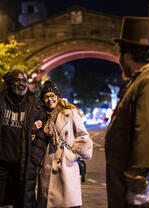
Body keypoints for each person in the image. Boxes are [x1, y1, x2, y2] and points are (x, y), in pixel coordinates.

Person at [105, 16, 149, 208]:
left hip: (143, 197)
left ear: (126, 55)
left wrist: (137, 185)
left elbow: (147, 134)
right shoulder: (142, 80)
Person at [25, 80, 93, 208]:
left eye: (52, 96)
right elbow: (33, 142)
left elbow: (83, 136)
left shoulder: (70, 112)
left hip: (66, 165)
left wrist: (72, 156)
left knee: (67, 203)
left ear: (57, 97)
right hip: (46, 165)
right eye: (46, 96)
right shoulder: (40, 116)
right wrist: (33, 130)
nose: (49, 99)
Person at [0, 69, 41, 208]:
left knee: (21, 202)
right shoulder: (1, 100)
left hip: (22, 164)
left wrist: (34, 158)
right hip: (1, 163)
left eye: (24, 80)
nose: (21, 84)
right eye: (17, 80)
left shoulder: (34, 104)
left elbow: (44, 130)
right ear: (9, 82)